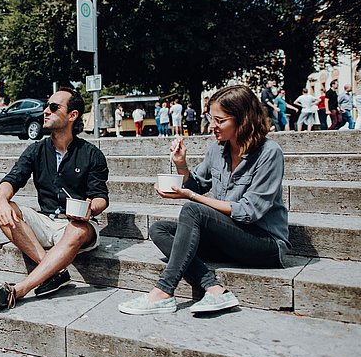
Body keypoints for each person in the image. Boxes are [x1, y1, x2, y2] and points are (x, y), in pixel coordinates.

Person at [118, 84, 289, 315]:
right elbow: (195, 183)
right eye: (211, 119)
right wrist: (181, 165)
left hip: (264, 243)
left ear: (243, 119)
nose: (212, 127)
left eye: (220, 120)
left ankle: (163, 291)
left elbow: (249, 211)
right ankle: (214, 287)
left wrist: (191, 196)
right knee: (160, 229)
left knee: (192, 209)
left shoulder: (270, 153)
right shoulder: (217, 150)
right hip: (229, 238)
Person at [0, 88, 109, 310]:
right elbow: (10, 180)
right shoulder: (36, 150)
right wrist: (4, 201)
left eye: (54, 108)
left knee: (78, 228)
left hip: (77, 224)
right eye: (47, 106)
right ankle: (55, 272)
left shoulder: (92, 154)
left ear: (72, 115)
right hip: (45, 221)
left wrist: (89, 208)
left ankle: (19, 290)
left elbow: (101, 197)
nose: (46, 111)